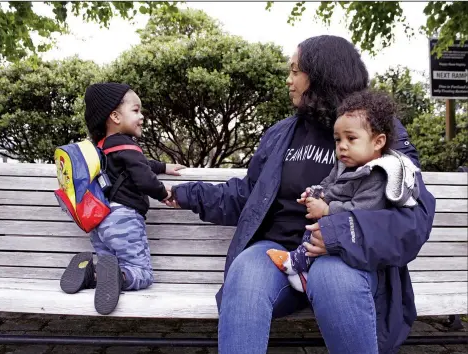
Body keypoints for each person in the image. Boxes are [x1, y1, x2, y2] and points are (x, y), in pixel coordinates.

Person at [165, 35, 436, 354]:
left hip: (348, 259)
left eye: (295, 70)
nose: (288, 79)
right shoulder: (282, 134)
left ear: (321, 75)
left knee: (330, 275)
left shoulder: (379, 131)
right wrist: (185, 194)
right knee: (246, 270)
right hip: (280, 255)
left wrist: (338, 232)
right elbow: (248, 195)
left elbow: (413, 218)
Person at [267, 89, 420, 293]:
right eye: (338, 140)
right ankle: (303, 272)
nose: (342, 147)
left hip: (352, 235)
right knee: (314, 229)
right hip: (333, 227)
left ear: (378, 142)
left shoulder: (377, 175)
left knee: (318, 231)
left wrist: (327, 210)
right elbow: (329, 183)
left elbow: (362, 210)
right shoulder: (346, 163)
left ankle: (296, 263)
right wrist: (316, 193)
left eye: (351, 138)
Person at [59, 83, 185, 315]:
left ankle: (91, 273)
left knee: (109, 264)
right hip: (123, 219)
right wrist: (165, 193)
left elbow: (140, 163)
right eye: (136, 110)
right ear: (115, 117)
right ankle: (121, 274)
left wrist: (164, 166)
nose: (142, 116)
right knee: (140, 273)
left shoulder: (101, 147)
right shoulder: (127, 144)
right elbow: (144, 178)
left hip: (99, 220)